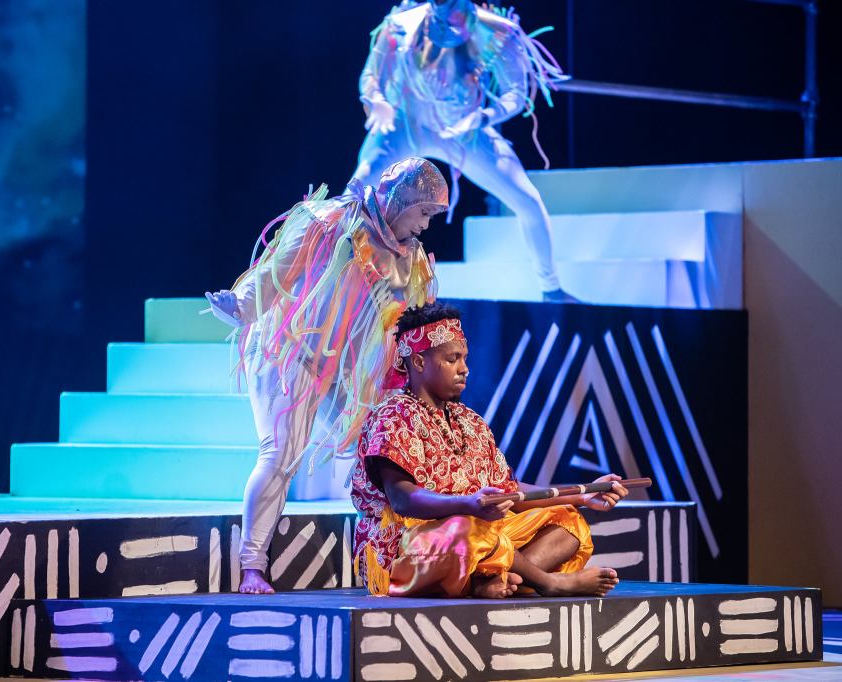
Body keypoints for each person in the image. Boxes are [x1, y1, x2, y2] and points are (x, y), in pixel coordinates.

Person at [207, 157, 449, 594]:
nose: (425, 225)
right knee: (280, 454)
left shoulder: (411, 260)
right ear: (401, 200)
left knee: (386, 450)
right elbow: (277, 271)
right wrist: (241, 305)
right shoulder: (331, 221)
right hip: (289, 350)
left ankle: (398, 555)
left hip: (343, 370)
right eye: (424, 212)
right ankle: (252, 566)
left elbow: (412, 323)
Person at [352, 302, 627, 597]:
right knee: (467, 528)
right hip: (408, 547)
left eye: (464, 358)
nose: (464, 369)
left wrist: (581, 496)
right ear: (419, 362)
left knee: (567, 519)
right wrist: (467, 505)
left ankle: (493, 581)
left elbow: (509, 492)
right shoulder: (392, 416)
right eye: (452, 359)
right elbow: (403, 499)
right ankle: (548, 583)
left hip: (478, 536)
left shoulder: (470, 421)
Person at [353, 0, 579, 302]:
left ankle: (551, 288)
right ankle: (334, 281)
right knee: (355, 194)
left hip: (464, 131)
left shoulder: (497, 31)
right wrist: (377, 100)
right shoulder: (402, 25)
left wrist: (484, 117)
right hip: (407, 122)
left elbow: (515, 93)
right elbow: (370, 75)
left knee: (528, 200)